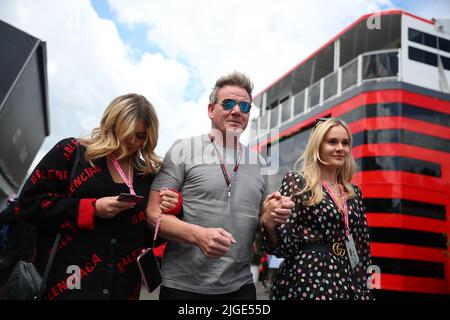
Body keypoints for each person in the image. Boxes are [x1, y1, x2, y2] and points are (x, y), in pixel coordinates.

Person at [14, 93, 181, 300]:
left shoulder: (147, 176)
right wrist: (91, 208)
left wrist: (169, 208)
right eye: (126, 132)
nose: (131, 142)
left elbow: (149, 236)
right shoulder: (71, 152)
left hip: (120, 290)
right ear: (111, 124)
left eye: (139, 136)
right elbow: (27, 205)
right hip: (63, 286)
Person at [146, 71, 293, 300]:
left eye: (244, 107)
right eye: (228, 104)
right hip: (183, 288)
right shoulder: (183, 150)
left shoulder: (260, 163)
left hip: (241, 288)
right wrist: (197, 235)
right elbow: (153, 214)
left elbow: (264, 222)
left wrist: (272, 215)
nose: (236, 111)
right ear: (210, 110)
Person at [260, 117, 373, 300]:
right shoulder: (298, 183)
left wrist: (366, 288)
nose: (340, 148)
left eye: (345, 143)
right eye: (332, 142)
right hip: (308, 279)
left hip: (348, 281)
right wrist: (269, 224)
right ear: (318, 146)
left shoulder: (354, 193)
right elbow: (283, 248)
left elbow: (363, 249)